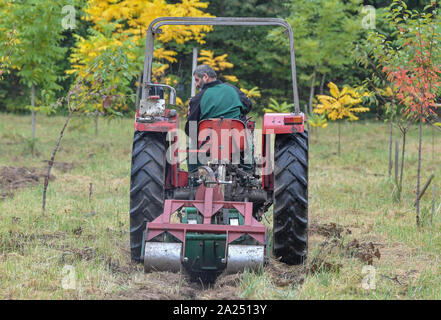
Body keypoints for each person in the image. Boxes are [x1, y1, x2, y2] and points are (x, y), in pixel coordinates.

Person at [184, 65, 252, 136]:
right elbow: (248, 106)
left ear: (205, 77)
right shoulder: (233, 90)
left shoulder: (198, 98)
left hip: (208, 144)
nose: (196, 85)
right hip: (236, 142)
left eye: (197, 80)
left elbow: (191, 130)